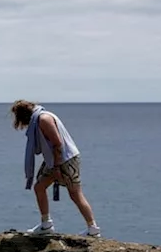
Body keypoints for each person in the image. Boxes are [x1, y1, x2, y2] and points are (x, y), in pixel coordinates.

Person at [11, 100, 100, 236]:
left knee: (75, 193)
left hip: (66, 159)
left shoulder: (44, 119)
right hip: (54, 159)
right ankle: (46, 224)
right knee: (39, 187)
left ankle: (93, 229)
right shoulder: (39, 118)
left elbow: (58, 143)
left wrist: (57, 167)